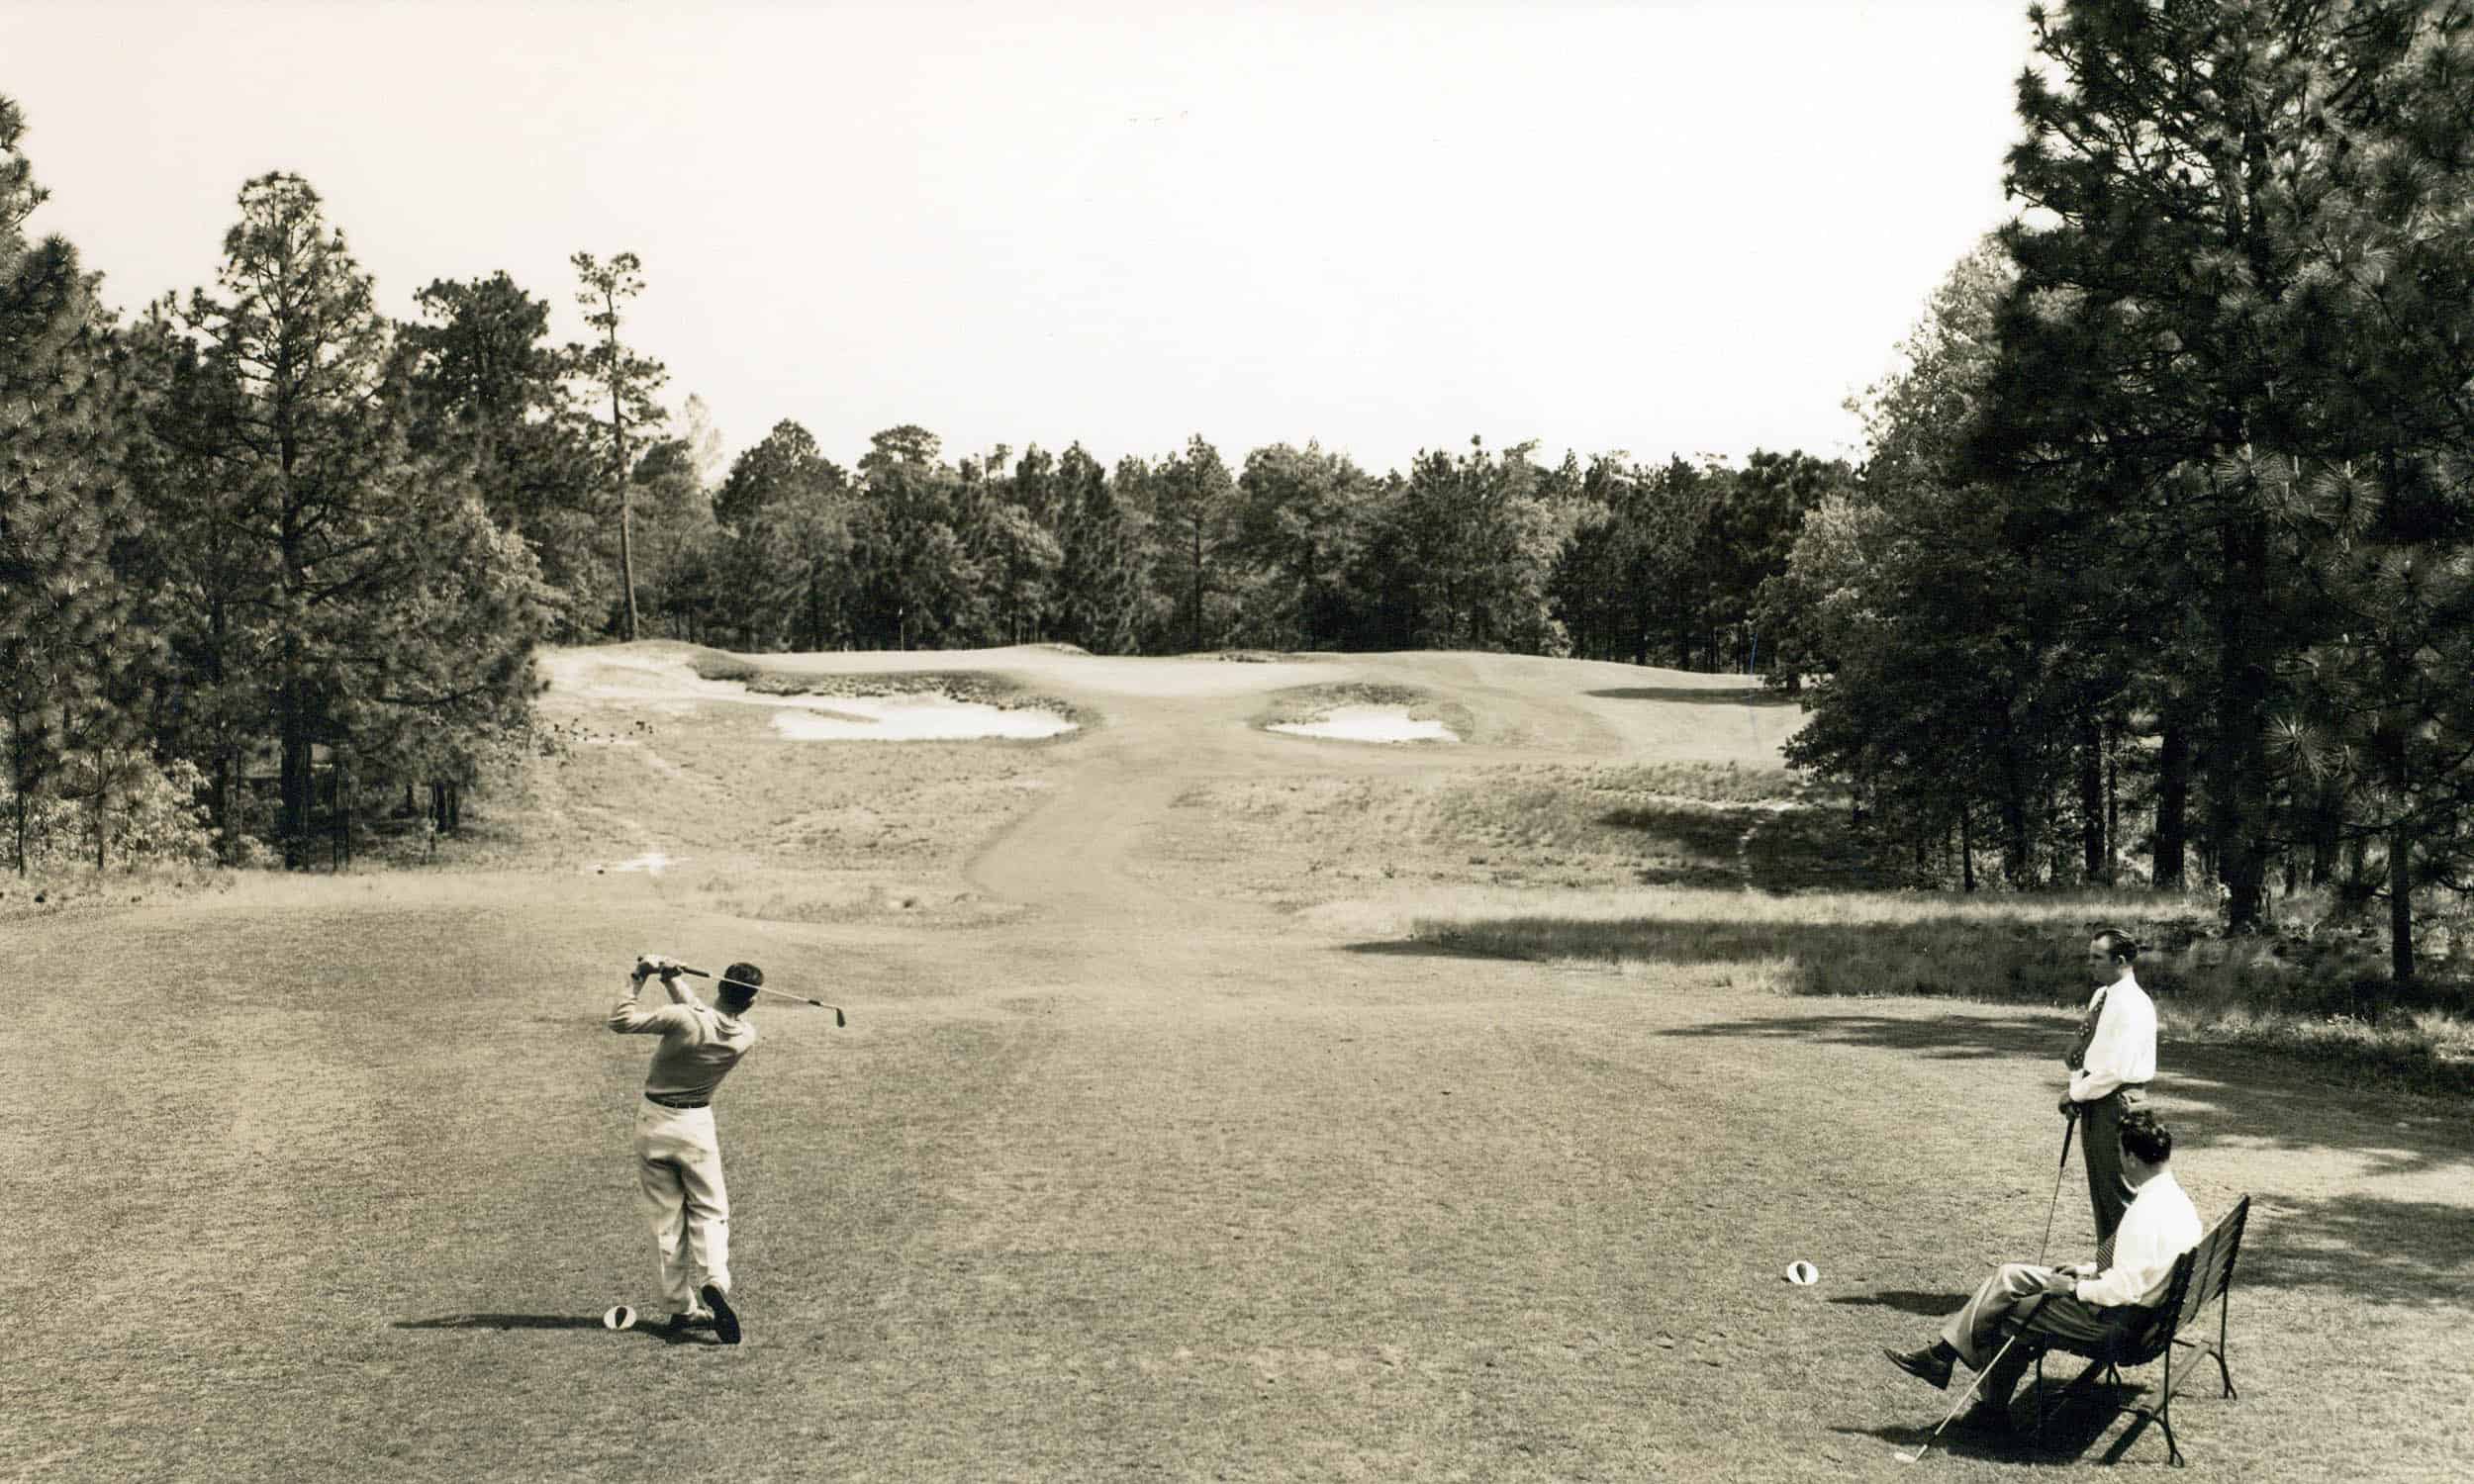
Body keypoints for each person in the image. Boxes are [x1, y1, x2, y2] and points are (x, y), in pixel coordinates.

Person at [1882, 1109, 2202, 1437]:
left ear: (2133, 1158)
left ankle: (1989, 1409)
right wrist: (2085, 1270)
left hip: (2117, 1322)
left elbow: (2123, 1289)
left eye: (2120, 1152)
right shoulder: (2177, 1202)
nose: (2118, 1160)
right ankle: (1942, 1354)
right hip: (2146, 1317)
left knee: (2009, 1312)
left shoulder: (2144, 1213)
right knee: (2009, 1277)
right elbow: (2141, 1267)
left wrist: (2073, 1288)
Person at [609, 954, 763, 1344]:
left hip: (655, 1123)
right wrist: (673, 979)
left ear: (721, 988)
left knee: (665, 1221)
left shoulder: (683, 1019)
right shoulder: (745, 1036)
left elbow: (621, 1021)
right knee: (710, 1211)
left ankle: (682, 1309)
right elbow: (701, 1018)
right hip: (697, 1128)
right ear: (751, 1002)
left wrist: (640, 975)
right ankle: (714, 1280)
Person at [2061, 927, 2156, 1262]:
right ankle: (2110, 1274)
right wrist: (2078, 1089)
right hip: (2097, 1100)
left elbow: (2116, 1069)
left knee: (2120, 1196)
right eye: (2090, 956)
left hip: (2118, 1102)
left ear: (2120, 961)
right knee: (2103, 1193)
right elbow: (2086, 1051)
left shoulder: (2132, 1004)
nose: (2090, 964)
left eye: (2097, 958)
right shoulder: (2103, 996)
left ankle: (2131, 1284)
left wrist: (2077, 1093)